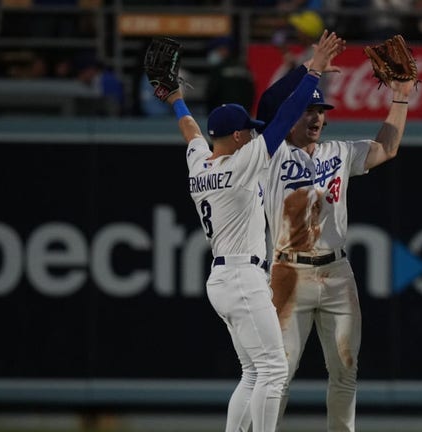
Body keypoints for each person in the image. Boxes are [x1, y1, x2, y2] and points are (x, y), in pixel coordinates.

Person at [159, 31, 344, 432]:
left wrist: (175, 98)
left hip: (224, 277)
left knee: (252, 372)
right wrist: (311, 73)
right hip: (243, 276)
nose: (256, 133)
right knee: (273, 371)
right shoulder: (239, 167)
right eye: (250, 130)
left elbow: (191, 130)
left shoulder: (202, 162)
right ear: (240, 136)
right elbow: (282, 120)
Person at [255, 55, 417, 432]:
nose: (315, 118)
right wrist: (309, 67)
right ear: (289, 114)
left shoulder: (338, 153)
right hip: (287, 272)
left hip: (336, 272)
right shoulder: (270, 154)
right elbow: (266, 106)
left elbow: (386, 148)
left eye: (320, 110)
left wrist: (401, 98)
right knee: (278, 372)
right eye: (307, 110)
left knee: (345, 370)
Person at [205, 36, 256, 113]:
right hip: (243, 114)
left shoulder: (219, 69)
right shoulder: (244, 67)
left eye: (216, 50)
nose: (213, 54)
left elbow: (212, 93)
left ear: (225, 50)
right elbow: (251, 93)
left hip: (222, 114)